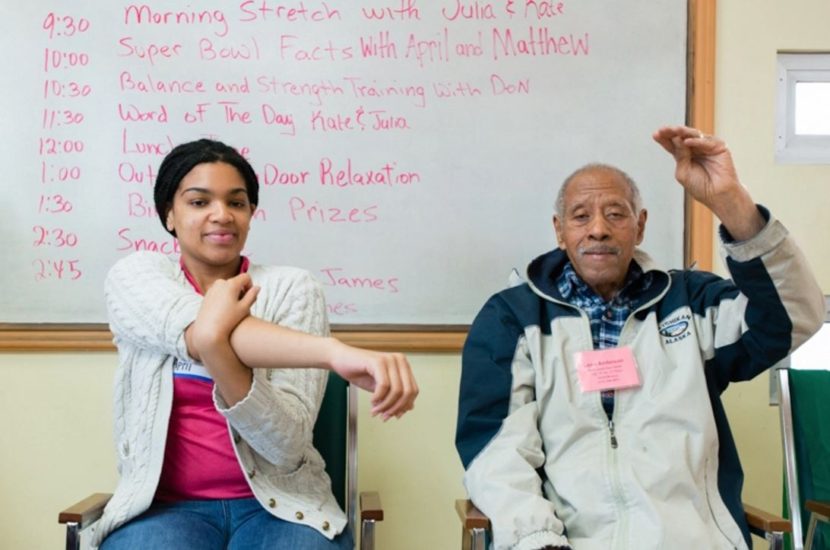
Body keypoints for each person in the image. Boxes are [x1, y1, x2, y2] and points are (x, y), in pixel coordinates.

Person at [455, 125, 825, 550]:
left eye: (615, 214)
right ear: (559, 231)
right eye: (581, 216)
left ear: (640, 225)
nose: (598, 229)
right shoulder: (512, 319)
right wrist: (537, 539)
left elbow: (796, 317)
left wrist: (732, 203)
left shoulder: (693, 303)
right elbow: (496, 449)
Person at [94, 139, 419, 549]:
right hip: (164, 510)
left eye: (237, 202)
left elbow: (285, 448)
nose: (221, 215)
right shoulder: (137, 277)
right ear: (169, 215)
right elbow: (197, 328)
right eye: (198, 202)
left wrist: (214, 345)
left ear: (250, 214)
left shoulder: (293, 288)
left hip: (281, 506)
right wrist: (333, 352)